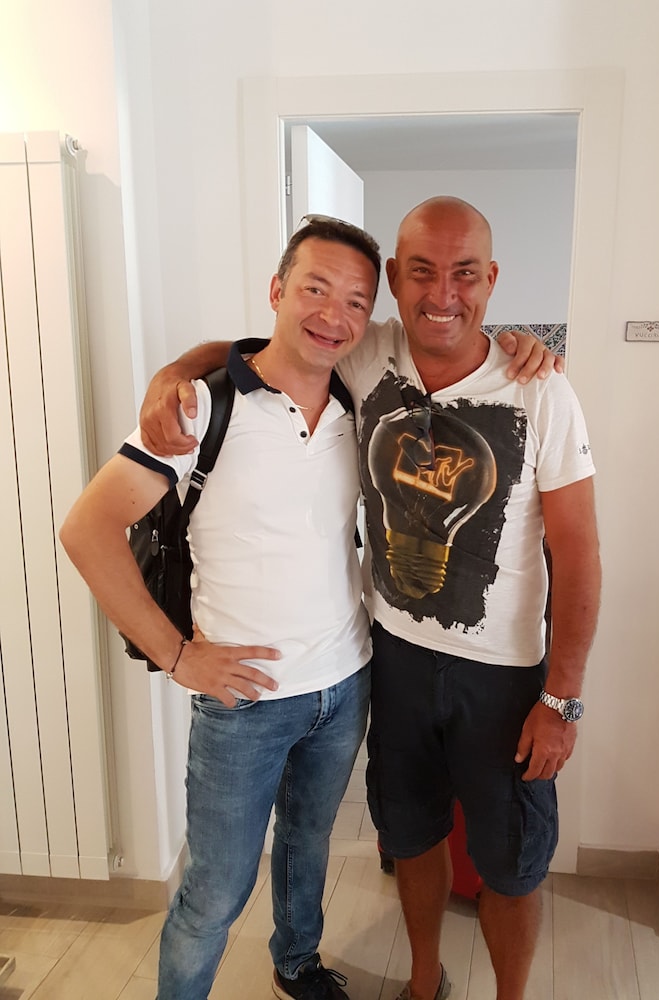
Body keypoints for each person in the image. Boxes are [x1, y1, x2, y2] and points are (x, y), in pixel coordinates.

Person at [139, 197, 599, 1000]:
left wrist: (561, 699)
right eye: (421, 271)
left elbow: (580, 554)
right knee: (410, 834)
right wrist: (173, 373)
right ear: (395, 277)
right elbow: (260, 351)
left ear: (492, 279)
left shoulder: (542, 392)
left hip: (503, 675)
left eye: (465, 274)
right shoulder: (366, 352)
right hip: (394, 657)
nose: (443, 294)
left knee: (511, 861)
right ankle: (423, 983)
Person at [61, 216, 384, 1000]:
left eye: (355, 301)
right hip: (243, 703)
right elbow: (87, 529)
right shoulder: (202, 410)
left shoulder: (359, 400)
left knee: (307, 847)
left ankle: (296, 965)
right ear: (276, 290)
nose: (333, 314)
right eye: (314, 288)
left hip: (345, 683)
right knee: (214, 891)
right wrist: (177, 655)